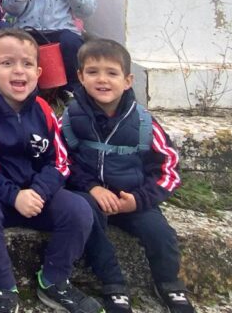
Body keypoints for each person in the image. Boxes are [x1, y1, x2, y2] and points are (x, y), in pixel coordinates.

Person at [0, 29, 101, 313]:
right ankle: (2, 286)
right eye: (7, 63)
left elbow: (60, 162)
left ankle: (54, 280)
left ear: (38, 72)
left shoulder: (44, 110)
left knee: (79, 209)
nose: (19, 71)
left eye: (27, 64)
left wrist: (38, 191)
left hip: (37, 197)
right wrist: (14, 195)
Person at [62, 39, 194, 313]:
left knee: (160, 233)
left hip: (133, 198)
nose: (102, 79)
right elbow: (64, 160)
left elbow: (168, 168)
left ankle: (169, 283)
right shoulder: (71, 118)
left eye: (112, 73)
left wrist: (138, 199)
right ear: (80, 77)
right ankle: (114, 285)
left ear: (127, 81)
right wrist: (92, 187)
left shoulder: (143, 122)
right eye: (93, 72)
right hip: (91, 198)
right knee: (87, 224)